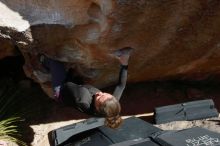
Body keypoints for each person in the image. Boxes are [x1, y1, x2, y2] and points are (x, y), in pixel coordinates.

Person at [39, 47, 133, 128]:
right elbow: (121, 86)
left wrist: (70, 72)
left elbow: (68, 84)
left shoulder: (82, 98)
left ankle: (42, 60)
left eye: (99, 98)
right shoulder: (110, 106)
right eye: (105, 94)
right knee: (74, 74)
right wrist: (124, 63)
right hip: (78, 88)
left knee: (56, 65)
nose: (100, 93)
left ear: (97, 107)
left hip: (62, 90)